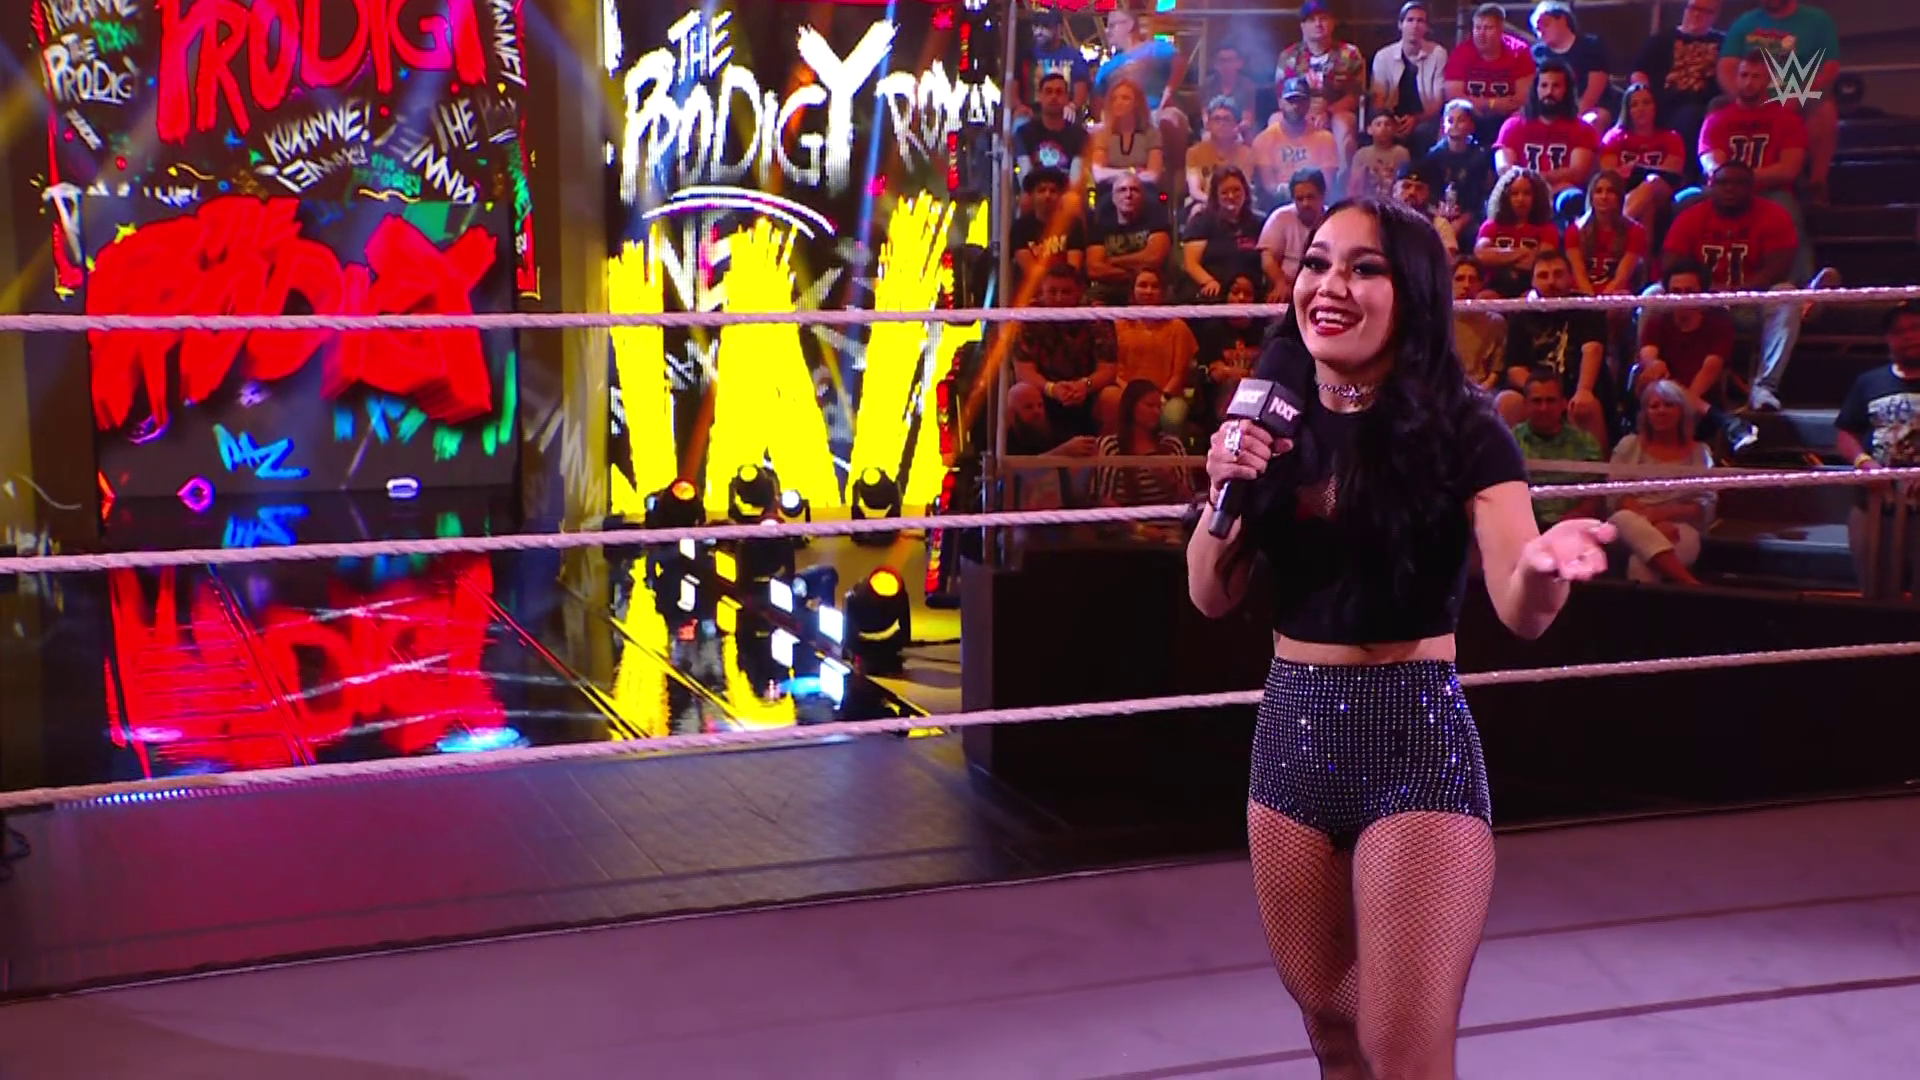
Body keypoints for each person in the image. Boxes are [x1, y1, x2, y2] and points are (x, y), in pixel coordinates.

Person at [1187, 197, 1612, 1080]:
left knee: (1404, 1051)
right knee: (1333, 1034)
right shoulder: (1270, 420)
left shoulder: (1466, 428)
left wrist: (1544, 566)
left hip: (1414, 739)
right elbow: (1208, 595)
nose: (1329, 285)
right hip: (1290, 734)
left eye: (1363, 268)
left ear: (1412, 292)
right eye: (1316, 263)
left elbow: (1520, 607)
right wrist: (1227, 486)